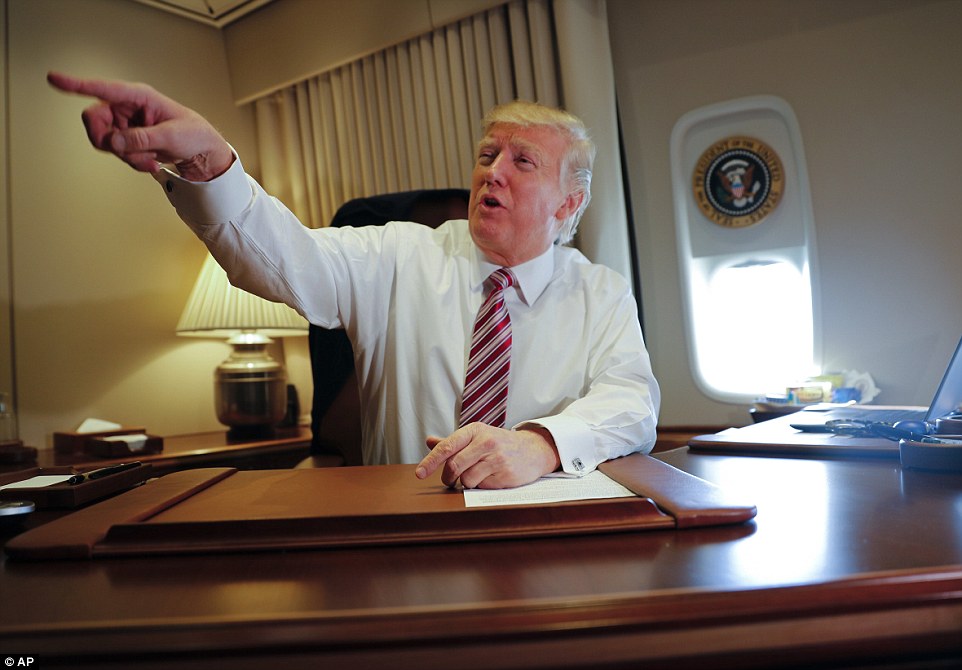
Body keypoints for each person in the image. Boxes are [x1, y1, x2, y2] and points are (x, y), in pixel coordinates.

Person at [47, 72, 660, 490]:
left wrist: (542, 445)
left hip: (544, 528)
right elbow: (281, 259)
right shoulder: (396, 252)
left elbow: (632, 404)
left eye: (521, 161)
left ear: (566, 205)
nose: (492, 172)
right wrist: (207, 159)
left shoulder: (600, 292)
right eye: (486, 155)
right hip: (403, 519)